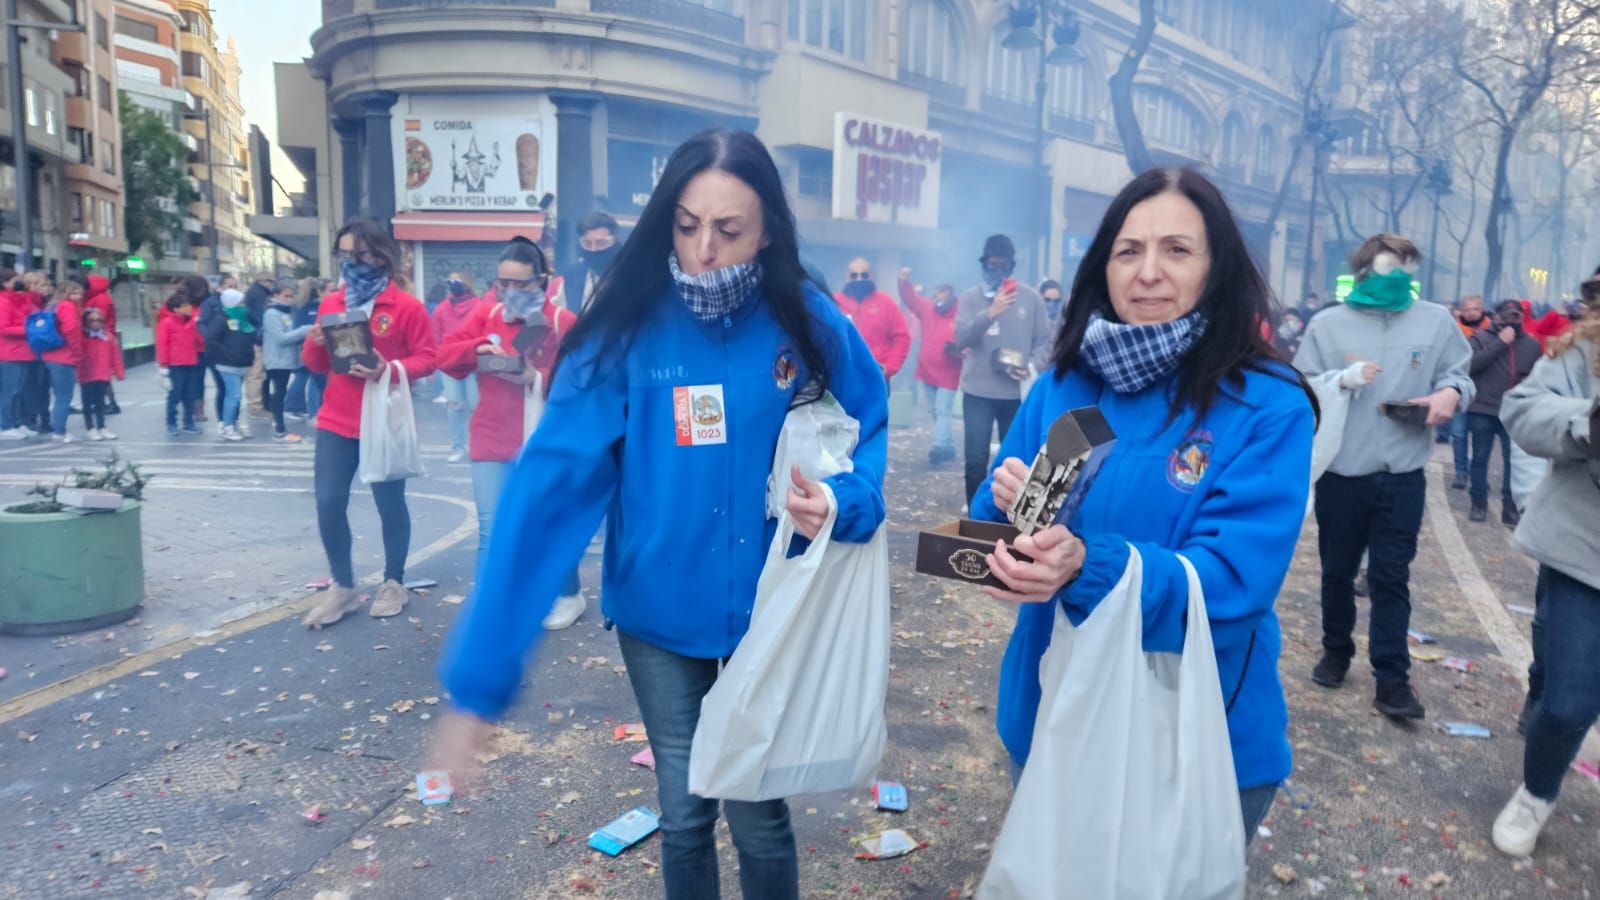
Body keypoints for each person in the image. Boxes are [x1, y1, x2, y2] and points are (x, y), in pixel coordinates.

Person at [429, 129, 888, 900]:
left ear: (768, 229)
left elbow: (866, 425)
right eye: (685, 225)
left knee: (758, 814)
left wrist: (847, 501)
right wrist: (479, 681)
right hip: (658, 613)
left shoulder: (807, 320)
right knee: (683, 811)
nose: (703, 250)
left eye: (729, 230)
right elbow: (548, 491)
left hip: (767, 614)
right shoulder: (627, 326)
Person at [973, 166, 1315, 843]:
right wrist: (1008, 517)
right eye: (1128, 251)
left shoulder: (1267, 404)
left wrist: (1083, 565)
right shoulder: (1062, 386)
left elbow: (1233, 584)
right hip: (1051, 711)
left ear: (1217, 269)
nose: (1147, 272)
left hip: (1193, 734)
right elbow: (990, 527)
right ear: (1103, 266)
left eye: (1177, 250)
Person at [1294, 233, 1473, 720]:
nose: (1397, 278)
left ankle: (1392, 678)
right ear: (1364, 270)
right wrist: (1341, 380)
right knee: (1336, 571)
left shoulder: (1434, 321)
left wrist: (1450, 394)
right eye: (1387, 269)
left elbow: (1460, 373)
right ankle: (1336, 649)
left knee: (1391, 576)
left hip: (1403, 473)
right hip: (1342, 473)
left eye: (1405, 269)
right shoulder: (1328, 324)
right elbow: (1299, 387)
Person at [1490, 276, 1600, 858]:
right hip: (1585, 554)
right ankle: (1537, 791)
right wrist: (1590, 420)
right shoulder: (1582, 350)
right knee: (1567, 702)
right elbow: (1524, 410)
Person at [436, 238, 587, 630]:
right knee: (491, 526)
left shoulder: (561, 322)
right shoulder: (488, 314)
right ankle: (491, 605)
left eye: (521, 284)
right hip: (491, 435)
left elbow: (583, 380)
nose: (512, 291)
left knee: (549, 519)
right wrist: (478, 349)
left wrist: (534, 376)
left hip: (544, 435)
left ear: (541, 280)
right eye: (504, 283)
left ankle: (569, 595)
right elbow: (444, 358)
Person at [301, 219, 437, 628]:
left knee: (389, 504)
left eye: (357, 254)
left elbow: (428, 358)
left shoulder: (406, 306)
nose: (350, 263)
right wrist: (314, 343)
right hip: (336, 418)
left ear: (379, 255)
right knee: (328, 501)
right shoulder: (333, 303)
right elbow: (316, 366)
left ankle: (394, 581)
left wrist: (388, 368)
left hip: (383, 419)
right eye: (343, 255)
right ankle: (342, 587)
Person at [954, 234, 1054, 505]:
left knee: (1015, 461)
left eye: (1003, 267)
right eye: (992, 266)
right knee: (975, 458)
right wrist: (991, 313)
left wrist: (1031, 365)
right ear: (983, 265)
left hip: (1015, 393)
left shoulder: (1030, 299)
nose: (997, 272)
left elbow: (1045, 340)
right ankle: (976, 514)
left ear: (1012, 267)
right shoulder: (970, 298)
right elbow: (961, 338)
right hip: (978, 391)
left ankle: (1008, 515)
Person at [1466, 299, 1540, 524]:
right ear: (1496, 317)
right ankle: (1478, 503)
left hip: (1514, 411)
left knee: (1513, 461)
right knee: (1479, 458)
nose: (1512, 320)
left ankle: (1510, 507)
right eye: (1507, 315)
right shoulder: (1480, 339)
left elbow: (1537, 376)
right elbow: (1471, 365)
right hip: (1483, 408)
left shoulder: (1532, 344)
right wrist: (1500, 342)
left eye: (1517, 315)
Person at [897, 267, 961, 464]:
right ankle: (948, 445)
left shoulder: (961, 312)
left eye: (942, 291)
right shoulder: (928, 308)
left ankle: (940, 446)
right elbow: (910, 299)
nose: (938, 295)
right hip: (927, 370)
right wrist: (904, 281)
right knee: (935, 410)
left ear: (950, 293)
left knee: (942, 409)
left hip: (949, 370)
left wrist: (962, 350)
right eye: (937, 291)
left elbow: (971, 334)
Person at [431, 271, 483, 463]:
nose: (453, 286)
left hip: (473, 363)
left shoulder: (480, 306)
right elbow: (435, 336)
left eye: (457, 282)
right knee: (454, 406)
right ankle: (458, 447)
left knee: (475, 406)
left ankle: (475, 445)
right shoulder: (441, 309)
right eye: (450, 282)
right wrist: (439, 358)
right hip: (451, 364)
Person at [834, 257, 910, 382]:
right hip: (843, 376)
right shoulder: (834, 302)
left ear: (872, 276)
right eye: (854, 275)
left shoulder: (886, 303)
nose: (859, 279)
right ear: (847, 277)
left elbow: (902, 337)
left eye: (864, 275)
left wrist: (889, 368)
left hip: (876, 376)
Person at [1444, 295, 1491, 480]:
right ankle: (1461, 472)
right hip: (1459, 387)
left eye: (1475, 309)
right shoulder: (1453, 330)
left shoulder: (1492, 329)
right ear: (1461, 311)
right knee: (1458, 433)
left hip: (1484, 390)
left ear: (1482, 310)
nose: (1471, 313)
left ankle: (1479, 477)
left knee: (1481, 441)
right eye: (1467, 309)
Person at [202, 288, 257, 442]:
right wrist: (228, 353)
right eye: (240, 302)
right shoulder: (221, 318)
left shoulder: (244, 318)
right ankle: (227, 426)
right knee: (234, 395)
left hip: (243, 362)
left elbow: (252, 335)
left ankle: (233, 423)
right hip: (227, 363)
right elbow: (212, 339)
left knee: (236, 396)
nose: (243, 304)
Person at [263, 278, 313, 443]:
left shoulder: (287, 313)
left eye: (292, 296)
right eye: (286, 296)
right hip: (276, 359)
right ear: (276, 295)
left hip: (287, 359)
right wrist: (304, 330)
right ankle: (279, 428)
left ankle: (279, 425)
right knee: (279, 394)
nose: (289, 299)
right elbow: (280, 338)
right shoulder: (272, 314)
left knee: (281, 392)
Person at [37, 278, 84, 444]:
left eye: (79, 293)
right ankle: (60, 431)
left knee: (58, 396)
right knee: (64, 396)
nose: (78, 297)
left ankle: (58, 429)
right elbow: (71, 330)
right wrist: (77, 352)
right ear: (66, 293)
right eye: (74, 293)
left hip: (49, 355)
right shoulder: (68, 307)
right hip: (64, 356)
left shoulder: (52, 306)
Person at [156, 292, 205, 436]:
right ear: (175, 309)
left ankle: (188, 422)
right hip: (175, 364)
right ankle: (171, 422)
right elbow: (162, 344)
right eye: (184, 306)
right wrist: (163, 364)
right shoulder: (167, 323)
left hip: (191, 362)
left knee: (189, 394)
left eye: (188, 305)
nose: (188, 308)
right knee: (174, 394)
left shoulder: (191, 322)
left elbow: (199, 341)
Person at [76, 305, 124, 441]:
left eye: (99, 320)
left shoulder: (107, 337)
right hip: (86, 374)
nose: (96, 323)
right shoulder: (81, 337)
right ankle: (90, 428)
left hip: (102, 374)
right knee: (87, 403)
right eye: (92, 320)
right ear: (85, 322)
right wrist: (77, 373)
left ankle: (102, 426)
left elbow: (115, 356)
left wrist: (119, 372)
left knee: (100, 402)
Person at [560, 211, 620, 313]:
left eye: (601, 243)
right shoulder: (571, 276)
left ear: (614, 241)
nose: (594, 249)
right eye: (587, 243)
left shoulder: (630, 274)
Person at [79, 275, 120, 415]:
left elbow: (98, 319)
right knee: (101, 374)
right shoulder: (100, 297)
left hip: (100, 338)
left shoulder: (99, 299)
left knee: (101, 374)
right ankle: (104, 402)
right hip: (102, 336)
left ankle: (109, 403)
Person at [0, 268, 32, 439]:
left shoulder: (14, 300)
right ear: (5, 283)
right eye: (15, 280)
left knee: (18, 390)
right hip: (8, 352)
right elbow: (4, 328)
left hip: (21, 350)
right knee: (9, 391)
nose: (18, 283)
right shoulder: (3, 302)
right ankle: (5, 425)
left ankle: (16, 422)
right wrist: (28, 329)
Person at [285, 278, 324, 421]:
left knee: (303, 377)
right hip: (309, 345)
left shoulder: (301, 306)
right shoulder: (313, 308)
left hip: (303, 345)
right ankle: (303, 408)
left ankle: (294, 405)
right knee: (311, 379)